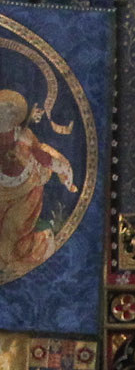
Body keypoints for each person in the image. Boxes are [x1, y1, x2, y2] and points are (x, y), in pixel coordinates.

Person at [0, 89, 75, 283]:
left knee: (13, 230)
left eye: (7, 113)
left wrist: (59, 168)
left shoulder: (25, 136)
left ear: (15, 117)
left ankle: (40, 242)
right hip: (2, 193)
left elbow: (43, 157)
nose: (3, 116)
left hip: (25, 193)